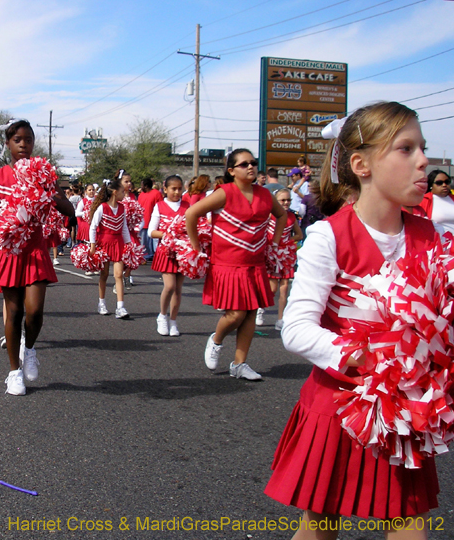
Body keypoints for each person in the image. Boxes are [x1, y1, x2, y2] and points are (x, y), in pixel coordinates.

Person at [265, 102, 441, 538]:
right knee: (320, 527)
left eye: (423, 148)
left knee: (408, 524)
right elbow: (297, 328)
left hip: (406, 415)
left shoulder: (432, 235)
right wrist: (370, 361)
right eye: (406, 149)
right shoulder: (330, 235)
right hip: (338, 408)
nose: (423, 161)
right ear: (360, 165)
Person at [0, 119, 74, 395]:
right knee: (15, 310)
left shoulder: (43, 174)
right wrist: (2, 221)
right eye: (17, 139)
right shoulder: (0, 176)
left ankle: (29, 349)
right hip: (9, 250)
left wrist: (48, 195)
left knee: (35, 311)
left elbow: (68, 209)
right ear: (8, 143)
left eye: (28, 139)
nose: (23, 144)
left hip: (35, 249)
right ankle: (13, 371)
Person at [186, 149, 287, 381]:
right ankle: (217, 339)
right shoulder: (224, 193)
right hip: (228, 263)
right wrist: (196, 247)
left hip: (255, 263)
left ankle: (240, 364)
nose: (250, 167)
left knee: (251, 313)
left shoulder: (264, 194)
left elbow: (281, 216)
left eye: (253, 163)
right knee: (236, 313)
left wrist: (274, 242)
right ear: (231, 171)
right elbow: (191, 214)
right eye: (244, 164)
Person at [148, 175, 190, 337]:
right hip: (166, 251)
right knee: (170, 286)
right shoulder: (159, 206)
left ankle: (173, 320)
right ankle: (162, 315)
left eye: (180, 189)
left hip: (183, 252)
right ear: (165, 189)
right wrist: (170, 234)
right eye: (173, 188)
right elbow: (152, 231)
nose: (177, 192)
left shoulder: (187, 206)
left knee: (178, 290)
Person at [89, 177, 132, 319]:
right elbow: (93, 226)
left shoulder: (122, 207)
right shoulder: (102, 207)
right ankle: (101, 303)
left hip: (118, 243)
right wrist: (93, 245)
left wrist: (128, 243)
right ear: (114, 192)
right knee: (104, 274)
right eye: (122, 191)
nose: (124, 194)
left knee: (119, 274)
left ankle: (121, 307)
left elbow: (124, 227)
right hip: (104, 243)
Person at [264, 188, 302, 330]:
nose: (286, 203)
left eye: (288, 200)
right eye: (283, 200)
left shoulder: (292, 216)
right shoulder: (269, 215)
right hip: (272, 254)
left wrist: (287, 241)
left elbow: (299, 235)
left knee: (285, 287)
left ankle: (281, 319)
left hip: (285, 255)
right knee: (272, 288)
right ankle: (262, 308)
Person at [417, 169, 453, 234]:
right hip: (439, 241)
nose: (444, 185)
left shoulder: (452, 199)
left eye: (447, 182)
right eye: (439, 183)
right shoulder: (423, 200)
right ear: (431, 185)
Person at [136, 177, 161, 262]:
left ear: (146, 186)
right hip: (143, 222)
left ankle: (154, 254)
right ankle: (146, 255)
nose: (141, 187)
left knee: (153, 241)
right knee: (144, 241)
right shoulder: (141, 195)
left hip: (153, 221)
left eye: (142, 185)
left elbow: (160, 206)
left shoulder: (156, 194)